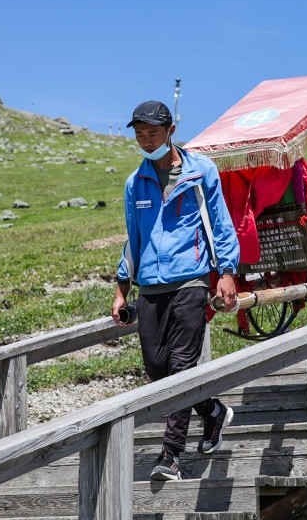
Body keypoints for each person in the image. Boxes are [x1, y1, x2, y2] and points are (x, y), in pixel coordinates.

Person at [111, 100, 240, 481]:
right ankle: (213, 413)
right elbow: (132, 240)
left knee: (182, 366)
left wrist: (227, 273)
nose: (146, 141)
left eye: (152, 133)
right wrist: (121, 289)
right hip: (150, 286)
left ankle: (171, 454)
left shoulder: (201, 171)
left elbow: (220, 223)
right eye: (139, 135)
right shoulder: (135, 182)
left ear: (170, 131)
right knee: (157, 368)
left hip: (191, 281)